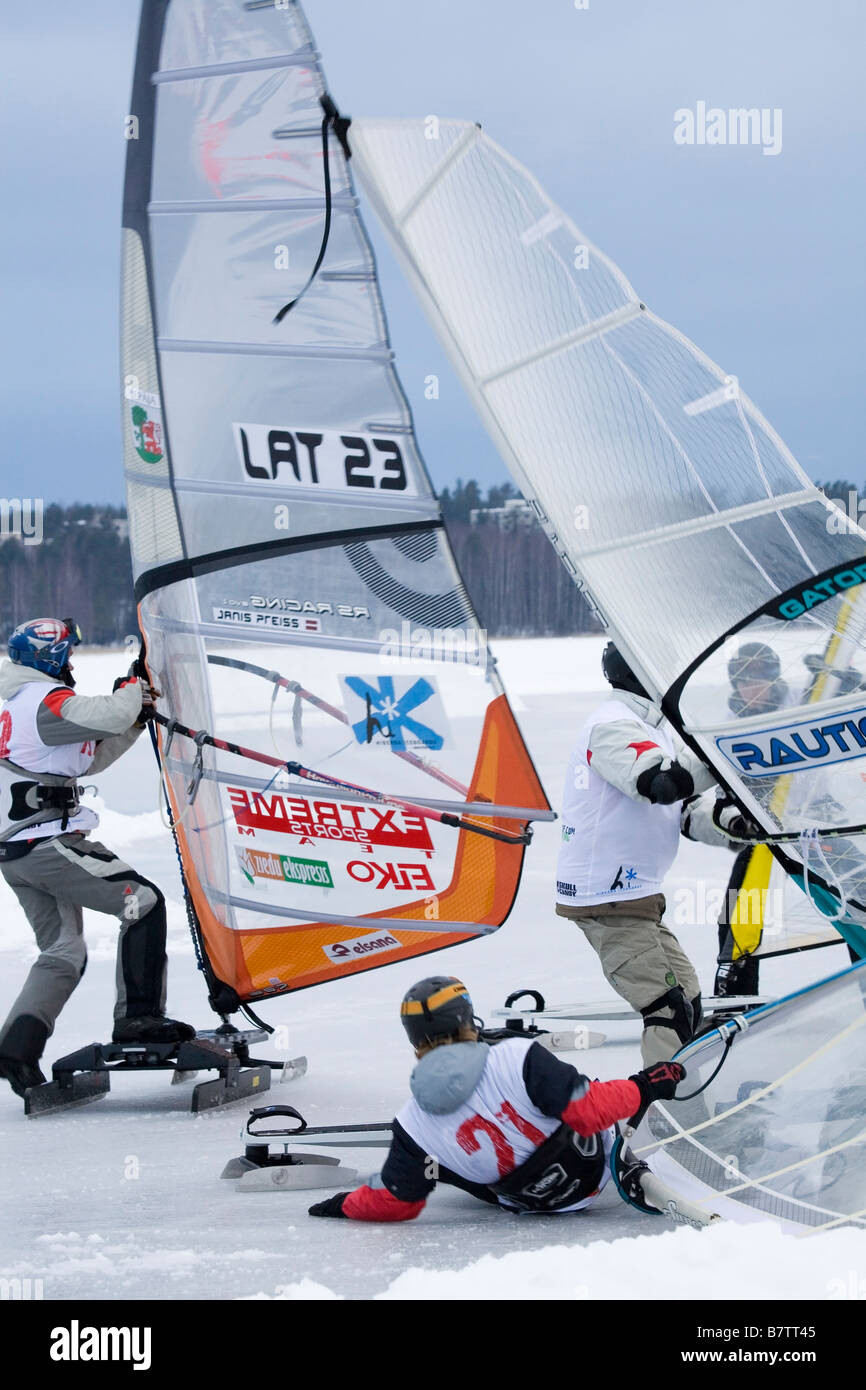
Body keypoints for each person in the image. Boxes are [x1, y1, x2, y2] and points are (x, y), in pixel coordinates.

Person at [0, 617, 193, 1099]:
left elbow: (89, 756)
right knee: (142, 902)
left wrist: (133, 716)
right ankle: (138, 1020)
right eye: (67, 653)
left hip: (20, 849)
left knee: (63, 953)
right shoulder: (41, 700)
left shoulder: (23, 703)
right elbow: (103, 714)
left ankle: (16, 1052)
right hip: (44, 843)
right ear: (52, 658)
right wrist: (133, 689)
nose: (71, 662)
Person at [307, 975, 685, 1222]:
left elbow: (394, 1202)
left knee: (435, 1161)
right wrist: (645, 1085)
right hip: (598, 1167)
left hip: (536, 1204)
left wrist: (343, 1204)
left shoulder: (411, 1123)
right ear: (467, 1020)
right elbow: (589, 1113)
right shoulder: (515, 1056)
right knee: (573, 1091)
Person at [554, 641, 746, 1066]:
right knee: (667, 1009)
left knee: (689, 1003)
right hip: (606, 897)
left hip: (634, 897)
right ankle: (664, 1118)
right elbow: (659, 786)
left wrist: (734, 827)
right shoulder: (612, 726)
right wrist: (726, 756)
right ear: (639, 673)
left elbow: (682, 812)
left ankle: (689, 1099)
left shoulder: (654, 730)